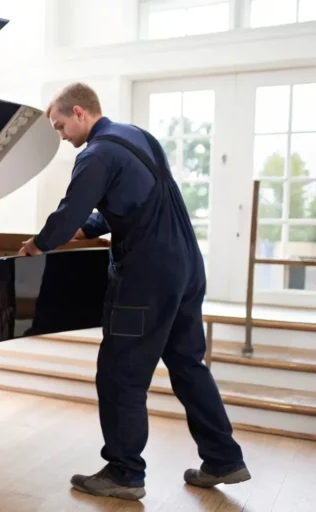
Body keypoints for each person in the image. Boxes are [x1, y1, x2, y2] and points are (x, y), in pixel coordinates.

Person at [18, 83, 250, 500]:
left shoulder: (95, 154)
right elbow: (135, 203)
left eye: (60, 126)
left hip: (146, 275)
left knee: (120, 374)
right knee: (187, 365)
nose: (61, 136)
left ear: (79, 112)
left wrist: (40, 244)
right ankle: (224, 458)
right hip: (186, 266)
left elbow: (70, 208)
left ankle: (124, 472)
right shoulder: (138, 137)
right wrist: (89, 227)